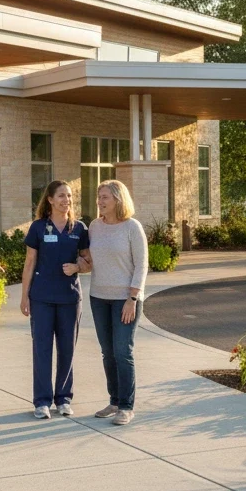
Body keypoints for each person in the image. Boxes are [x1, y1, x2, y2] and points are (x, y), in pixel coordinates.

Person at [21, 180, 91, 419]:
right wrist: (24, 296)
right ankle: (42, 401)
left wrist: (77, 267)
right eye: (61, 196)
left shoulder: (79, 228)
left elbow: (89, 261)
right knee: (42, 350)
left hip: (69, 298)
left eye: (69, 196)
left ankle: (63, 399)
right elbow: (29, 263)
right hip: (41, 298)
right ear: (50, 200)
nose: (66, 200)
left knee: (67, 349)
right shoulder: (39, 227)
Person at [81, 180, 148, 426]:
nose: (100, 201)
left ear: (118, 200)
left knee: (122, 352)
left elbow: (141, 265)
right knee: (107, 352)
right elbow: (89, 260)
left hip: (125, 300)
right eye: (99, 196)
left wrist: (133, 298)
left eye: (105, 197)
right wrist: (77, 265)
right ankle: (114, 400)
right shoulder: (94, 227)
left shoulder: (132, 227)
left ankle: (126, 407)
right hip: (99, 297)